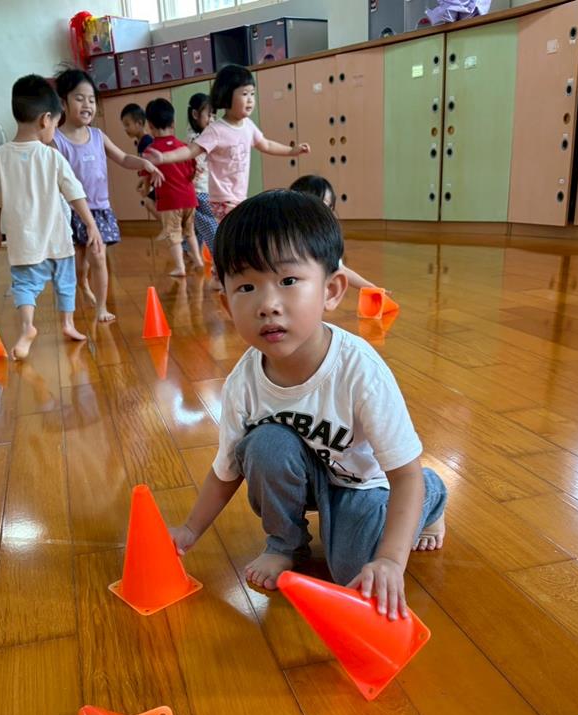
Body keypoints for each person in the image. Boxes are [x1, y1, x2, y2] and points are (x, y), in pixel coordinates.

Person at [169, 190, 447, 617]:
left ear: (331, 290)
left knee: (355, 570)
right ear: (225, 303)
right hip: (308, 476)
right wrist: (189, 530)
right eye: (246, 287)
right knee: (263, 445)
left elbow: (403, 474)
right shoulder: (244, 382)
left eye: (288, 281)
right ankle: (286, 545)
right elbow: (227, 470)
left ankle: (435, 493)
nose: (267, 305)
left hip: (363, 483)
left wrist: (391, 561)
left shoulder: (359, 370)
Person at [0, 74, 104, 361]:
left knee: (24, 286)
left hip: (24, 244)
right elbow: (75, 193)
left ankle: (27, 327)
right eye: (56, 124)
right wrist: (91, 223)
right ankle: (68, 324)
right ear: (45, 120)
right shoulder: (52, 156)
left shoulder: (0, 156)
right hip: (58, 240)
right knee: (66, 283)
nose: (54, 131)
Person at [54, 68, 164, 322]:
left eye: (91, 100)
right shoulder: (56, 141)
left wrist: (144, 163)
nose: (87, 105)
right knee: (79, 261)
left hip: (99, 209)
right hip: (71, 211)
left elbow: (123, 158)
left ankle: (101, 307)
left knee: (98, 256)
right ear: (63, 103)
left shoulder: (97, 136)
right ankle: (82, 284)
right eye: (79, 98)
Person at [145, 65, 309, 224]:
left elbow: (266, 145)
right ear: (227, 95)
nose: (250, 99)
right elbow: (190, 151)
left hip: (239, 196)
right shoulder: (216, 130)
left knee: (236, 232)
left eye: (252, 93)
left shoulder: (248, 125)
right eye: (244, 94)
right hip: (222, 198)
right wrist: (163, 157)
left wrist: (291, 151)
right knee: (238, 231)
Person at [290, 174, 383, 292]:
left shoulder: (325, 237)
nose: (327, 212)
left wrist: (371, 288)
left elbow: (340, 269)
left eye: (329, 206)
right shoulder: (288, 238)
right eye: (321, 205)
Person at [143, 98, 203, 278]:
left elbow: (147, 175)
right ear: (173, 123)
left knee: (173, 234)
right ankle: (199, 260)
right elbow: (193, 171)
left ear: (150, 126)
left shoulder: (151, 151)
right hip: (190, 198)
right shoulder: (183, 147)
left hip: (170, 201)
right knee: (190, 232)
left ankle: (180, 267)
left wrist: (145, 190)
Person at [186, 93, 218, 258]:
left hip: (202, 190)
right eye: (208, 115)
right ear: (195, 114)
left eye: (214, 115)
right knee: (210, 226)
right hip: (200, 191)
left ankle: (189, 252)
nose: (212, 119)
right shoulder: (198, 139)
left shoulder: (198, 135)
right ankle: (218, 255)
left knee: (198, 225)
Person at [120, 102, 161, 225]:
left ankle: (169, 228)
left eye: (127, 124)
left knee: (149, 202)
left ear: (139, 123)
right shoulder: (143, 141)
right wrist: (142, 182)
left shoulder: (146, 142)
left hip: (159, 182)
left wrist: (146, 188)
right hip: (155, 181)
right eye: (124, 125)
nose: (125, 129)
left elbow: (148, 168)